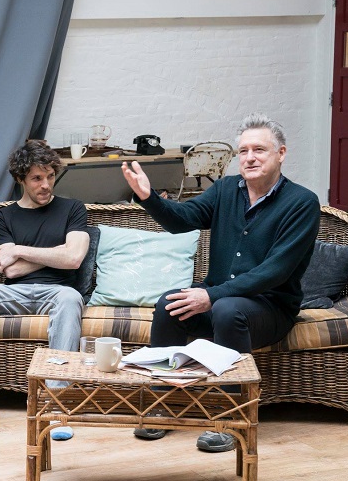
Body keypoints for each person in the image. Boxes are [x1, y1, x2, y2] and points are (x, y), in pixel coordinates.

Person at [122, 113, 320, 452]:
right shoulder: (226, 189)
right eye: (243, 151)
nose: (250, 158)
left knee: (228, 310)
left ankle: (230, 418)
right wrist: (149, 197)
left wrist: (211, 296)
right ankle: (163, 406)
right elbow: (183, 220)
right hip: (220, 302)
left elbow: (275, 271)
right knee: (169, 304)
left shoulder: (302, 203)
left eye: (259, 150)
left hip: (270, 308)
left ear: (281, 154)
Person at [0, 140, 89, 438]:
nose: (46, 185)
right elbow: (11, 270)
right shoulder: (4, 217)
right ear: (20, 179)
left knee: (71, 298)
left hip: (58, 292)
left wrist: (19, 249)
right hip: (14, 292)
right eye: (36, 178)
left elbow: (74, 259)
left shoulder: (73, 208)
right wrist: (57, 253)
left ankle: (55, 402)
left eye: (50, 176)